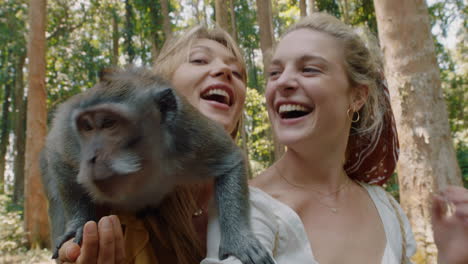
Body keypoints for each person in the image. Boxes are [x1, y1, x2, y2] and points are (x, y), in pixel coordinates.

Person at [204, 12, 468, 264]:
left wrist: (452, 258)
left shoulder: (387, 209)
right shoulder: (246, 210)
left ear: (357, 96)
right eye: (274, 72)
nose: (282, 82)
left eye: (309, 69)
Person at [57, 24, 248, 264]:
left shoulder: (261, 204)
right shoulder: (107, 185)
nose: (224, 70)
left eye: (237, 72)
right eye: (199, 60)